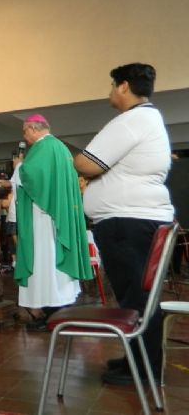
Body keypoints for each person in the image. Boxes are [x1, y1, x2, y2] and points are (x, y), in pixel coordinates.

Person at [74, 63, 174, 386]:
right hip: (135, 221)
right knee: (135, 297)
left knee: (136, 299)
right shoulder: (149, 119)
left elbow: (88, 163)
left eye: (112, 86)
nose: (110, 93)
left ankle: (144, 369)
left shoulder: (131, 120)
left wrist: (78, 162)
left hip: (127, 223)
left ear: (124, 86)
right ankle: (137, 358)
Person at [14, 114, 92, 328]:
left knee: (45, 260)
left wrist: (19, 166)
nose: (24, 135)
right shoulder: (60, 147)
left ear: (33, 128)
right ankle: (57, 311)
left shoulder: (42, 148)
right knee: (54, 263)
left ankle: (51, 313)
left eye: (24, 131)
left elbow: (31, 177)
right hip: (57, 216)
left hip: (44, 218)